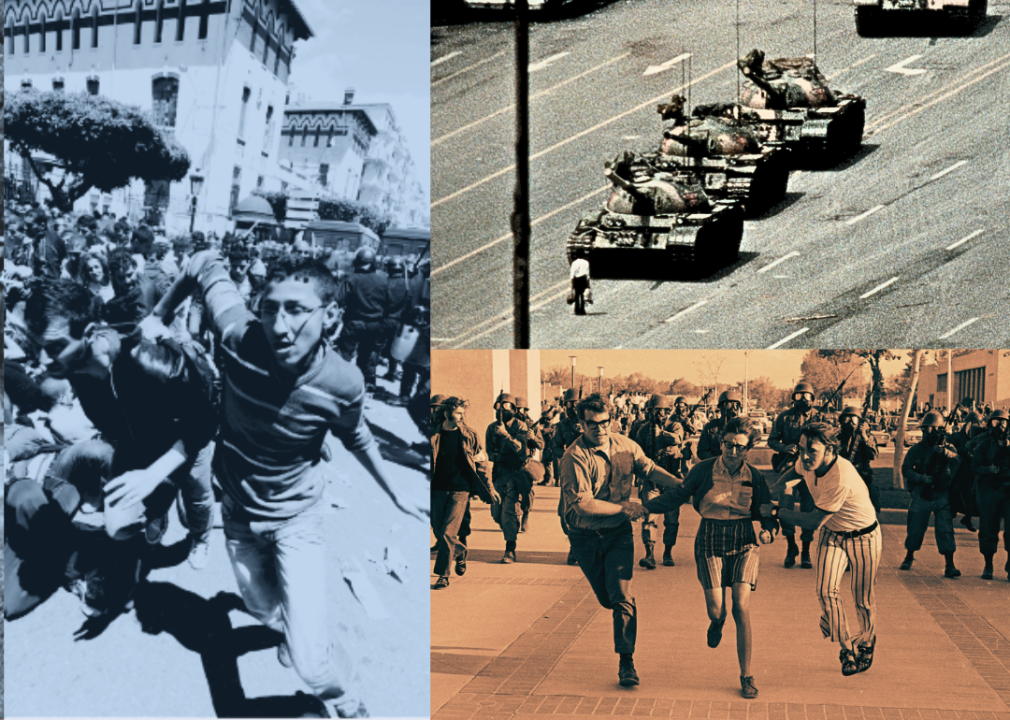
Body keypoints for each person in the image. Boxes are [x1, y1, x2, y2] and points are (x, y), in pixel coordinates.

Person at [143, 250, 427, 718]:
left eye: (296, 309)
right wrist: (160, 314)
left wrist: (395, 491)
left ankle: (345, 699)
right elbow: (204, 263)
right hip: (236, 515)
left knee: (312, 666)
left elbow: (357, 436)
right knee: (265, 612)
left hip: (298, 519)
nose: (279, 325)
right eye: (271, 307)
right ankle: (297, 629)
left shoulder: (343, 382)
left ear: (331, 315)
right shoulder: (238, 335)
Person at [644, 417, 777, 699]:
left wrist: (768, 530)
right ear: (721, 443)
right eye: (729, 445)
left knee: (741, 606)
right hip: (710, 536)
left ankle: (747, 675)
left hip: (743, 540)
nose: (733, 451)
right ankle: (717, 622)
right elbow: (678, 495)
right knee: (717, 609)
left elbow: (765, 511)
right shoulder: (703, 470)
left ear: (748, 450)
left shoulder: (755, 476)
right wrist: (645, 508)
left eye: (740, 448)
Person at [558, 393, 683, 688]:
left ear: (611, 420)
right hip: (585, 536)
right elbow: (585, 505)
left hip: (618, 533)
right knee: (607, 599)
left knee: (622, 596)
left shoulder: (626, 446)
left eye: (604, 422)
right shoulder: (574, 457)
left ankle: (626, 661)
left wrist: (683, 486)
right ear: (581, 424)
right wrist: (629, 507)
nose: (599, 429)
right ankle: (618, 607)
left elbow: (649, 469)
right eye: (591, 424)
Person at [763, 422, 881, 677]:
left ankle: (868, 641)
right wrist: (775, 490)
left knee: (862, 598)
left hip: (863, 536)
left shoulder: (841, 477)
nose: (804, 456)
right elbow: (792, 474)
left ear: (830, 450)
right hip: (833, 534)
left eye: (812, 451)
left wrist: (774, 510)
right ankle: (847, 648)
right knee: (826, 591)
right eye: (802, 448)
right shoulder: (808, 462)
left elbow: (813, 521)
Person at [430, 397, 499, 589]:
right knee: (438, 531)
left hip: (461, 490)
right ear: (447, 413)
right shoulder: (432, 434)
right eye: (459, 413)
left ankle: (443, 575)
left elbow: (482, 463)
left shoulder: (470, 435)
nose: (463, 416)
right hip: (437, 490)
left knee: (447, 533)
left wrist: (490, 487)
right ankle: (460, 552)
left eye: (463, 413)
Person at [767, 382, 823, 568]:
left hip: (810, 470)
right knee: (785, 507)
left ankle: (806, 550)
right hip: (789, 468)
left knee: (808, 509)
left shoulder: (819, 417)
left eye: (807, 396)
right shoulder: (784, 417)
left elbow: (829, 441)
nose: (803, 400)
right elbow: (772, 439)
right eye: (799, 396)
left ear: (812, 399)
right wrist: (785, 447)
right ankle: (791, 547)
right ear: (793, 398)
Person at [899, 411, 961, 577]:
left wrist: (944, 452)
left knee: (945, 529)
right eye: (927, 429)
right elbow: (905, 469)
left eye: (934, 429)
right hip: (922, 493)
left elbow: (957, 460)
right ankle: (909, 556)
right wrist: (920, 478)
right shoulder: (916, 449)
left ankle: (950, 564)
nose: (930, 432)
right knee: (915, 527)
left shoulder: (947, 447)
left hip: (941, 494)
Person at [485, 393, 540, 563]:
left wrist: (506, 436)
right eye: (497, 408)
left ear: (513, 410)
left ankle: (510, 549)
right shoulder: (491, 427)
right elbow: (490, 453)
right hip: (498, 474)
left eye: (504, 408)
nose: (500, 411)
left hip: (514, 474)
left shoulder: (521, 426)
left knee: (508, 511)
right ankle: (512, 527)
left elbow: (520, 449)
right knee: (496, 514)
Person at [632, 395, 685, 569]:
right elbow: (637, 453)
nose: (656, 415)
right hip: (651, 479)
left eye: (659, 411)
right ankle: (649, 554)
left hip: (670, 478)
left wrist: (661, 434)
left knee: (672, 519)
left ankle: (668, 551)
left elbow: (677, 439)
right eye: (653, 411)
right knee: (649, 516)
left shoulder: (674, 426)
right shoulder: (643, 430)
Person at [971, 409, 1010, 581]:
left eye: (1003, 422)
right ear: (989, 424)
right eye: (995, 422)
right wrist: (990, 469)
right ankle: (988, 564)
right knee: (987, 529)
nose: (999, 426)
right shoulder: (984, 445)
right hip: (990, 490)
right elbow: (974, 467)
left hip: (1009, 492)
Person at [837, 405, 880, 514]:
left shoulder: (866, 437)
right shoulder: (837, 438)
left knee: (869, 508)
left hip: (862, 478)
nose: (850, 423)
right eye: (846, 419)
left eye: (854, 420)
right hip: (842, 480)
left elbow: (873, 455)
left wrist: (864, 437)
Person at [569, 250, 591, 316]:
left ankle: (576, 310)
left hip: (576, 279)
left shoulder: (574, 263)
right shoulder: (586, 262)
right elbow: (587, 273)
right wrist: (588, 283)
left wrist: (572, 283)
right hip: (583, 279)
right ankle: (582, 310)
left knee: (576, 295)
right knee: (582, 294)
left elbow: (572, 273)